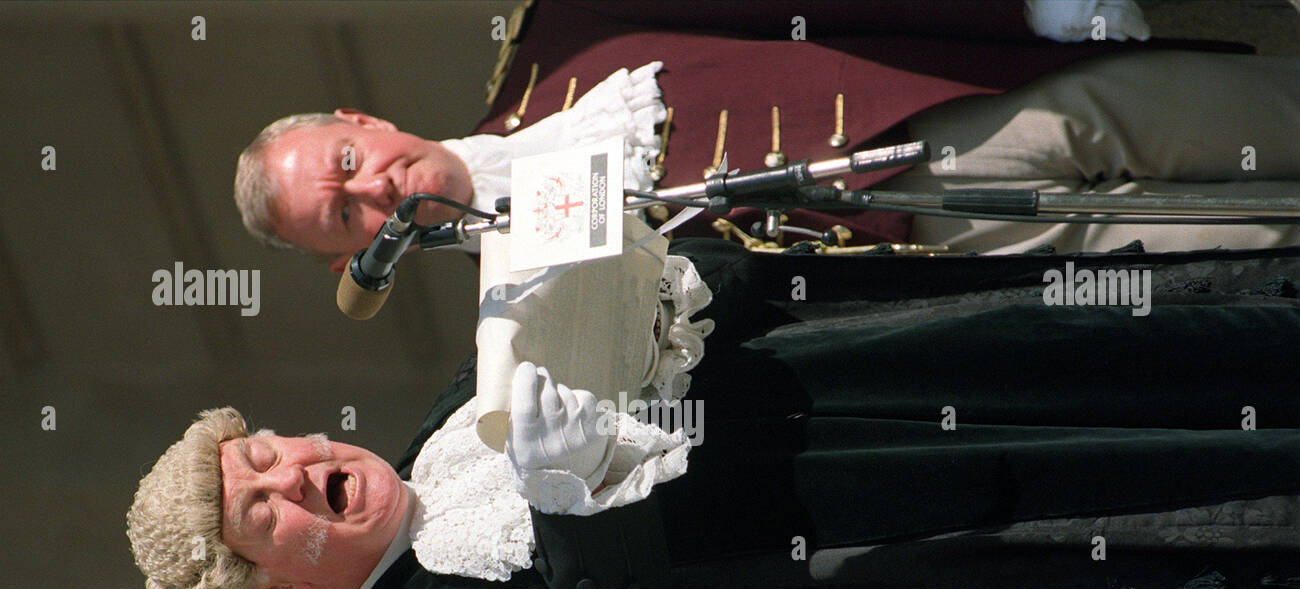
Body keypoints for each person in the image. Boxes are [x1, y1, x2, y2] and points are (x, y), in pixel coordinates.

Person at [128, 235, 1300, 589]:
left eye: (266, 453)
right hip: (962, 570)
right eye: (258, 514)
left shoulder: (461, 406)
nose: (293, 476)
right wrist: (574, 500)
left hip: (956, 377)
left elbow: (732, 296)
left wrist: (648, 268)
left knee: (1219, 364)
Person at [233, 0, 1300, 272]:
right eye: (343, 214)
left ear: (361, 121)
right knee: (1234, 257)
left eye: (344, 163)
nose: (370, 188)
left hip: (945, 106)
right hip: (921, 254)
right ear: (348, 253)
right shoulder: (516, 308)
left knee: (1230, 121)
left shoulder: (558, 38)